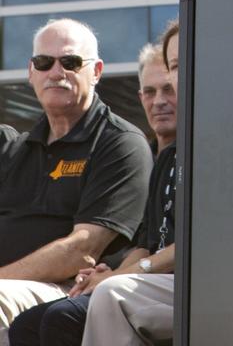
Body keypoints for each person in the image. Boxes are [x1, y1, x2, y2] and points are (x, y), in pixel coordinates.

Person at [9, 37, 178, 346]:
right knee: (30, 324)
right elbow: (147, 242)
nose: (159, 101)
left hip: (179, 283)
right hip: (135, 279)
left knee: (70, 313)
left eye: (71, 62)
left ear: (97, 71)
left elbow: (84, 248)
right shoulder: (164, 159)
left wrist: (117, 276)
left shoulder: (124, 144)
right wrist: (115, 271)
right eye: (150, 92)